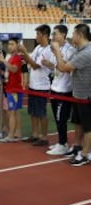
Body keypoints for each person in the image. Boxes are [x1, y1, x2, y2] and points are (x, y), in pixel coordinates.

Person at [51, 23, 91, 166]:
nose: (71, 36)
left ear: (79, 35)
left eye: (73, 33)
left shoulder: (86, 53)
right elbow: (68, 64)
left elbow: (63, 68)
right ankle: (77, 147)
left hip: (86, 96)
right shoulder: (79, 50)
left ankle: (85, 155)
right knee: (78, 123)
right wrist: (60, 56)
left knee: (88, 127)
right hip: (78, 94)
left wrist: (56, 52)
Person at [18, 24, 54, 146]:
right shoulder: (38, 47)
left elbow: (35, 65)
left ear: (45, 35)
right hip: (34, 85)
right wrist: (23, 56)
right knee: (33, 112)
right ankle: (35, 134)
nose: (36, 37)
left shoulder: (49, 50)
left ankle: (44, 137)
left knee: (41, 113)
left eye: (38, 34)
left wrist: (24, 53)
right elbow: (29, 61)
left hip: (42, 87)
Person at [46, 25, 76, 155]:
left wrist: (58, 54)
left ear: (63, 34)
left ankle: (63, 144)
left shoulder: (71, 50)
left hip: (65, 89)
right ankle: (61, 142)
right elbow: (57, 67)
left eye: (55, 34)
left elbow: (66, 67)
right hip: (55, 87)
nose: (53, 36)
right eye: (52, 34)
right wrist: (50, 65)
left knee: (61, 118)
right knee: (57, 118)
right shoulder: (54, 49)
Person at [0, 38, 24, 142]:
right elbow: (10, 72)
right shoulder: (11, 58)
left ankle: (11, 135)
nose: (9, 46)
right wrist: (2, 72)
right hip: (10, 87)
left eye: (12, 44)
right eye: (8, 44)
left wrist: (3, 60)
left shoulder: (17, 57)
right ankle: (17, 132)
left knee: (12, 112)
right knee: (15, 112)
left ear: (17, 45)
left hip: (14, 89)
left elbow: (14, 69)